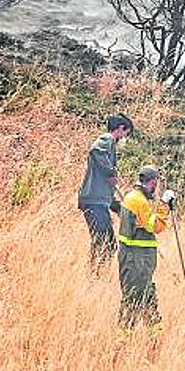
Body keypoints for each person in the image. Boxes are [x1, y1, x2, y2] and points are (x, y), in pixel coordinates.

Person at [117, 164, 175, 329]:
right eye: (157, 182)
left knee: (148, 296)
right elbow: (155, 226)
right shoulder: (138, 201)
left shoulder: (134, 197)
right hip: (136, 260)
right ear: (153, 182)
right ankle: (124, 338)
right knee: (133, 298)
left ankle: (154, 337)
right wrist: (164, 204)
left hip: (137, 259)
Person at [76, 114, 133, 276]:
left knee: (109, 243)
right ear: (121, 129)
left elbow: (107, 188)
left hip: (100, 201)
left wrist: (120, 209)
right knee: (103, 242)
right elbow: (95, 151)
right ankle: (94, 275)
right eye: (126, 133)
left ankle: (97, 275)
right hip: (94, 202)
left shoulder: (110, 148)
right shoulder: (107, 139)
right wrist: (111, 172)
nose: (124, 138)